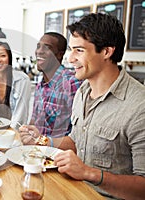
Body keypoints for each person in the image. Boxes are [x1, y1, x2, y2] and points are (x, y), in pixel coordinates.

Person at [20, 13, 145, 199]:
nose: (70, 59)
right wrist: (42, 141)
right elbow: (76, 141)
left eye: (79, 50)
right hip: (75, 190)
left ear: (106, 52)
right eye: (71, 50)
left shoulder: (139, 106)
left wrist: (88, 173)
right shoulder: (83, 91)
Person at [30, 32, 82, 138]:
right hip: (36, 151)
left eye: (47, 48)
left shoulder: (73, 84)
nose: (39, 51)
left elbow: (80, 135)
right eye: (38, 47)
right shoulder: (40, 86)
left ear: (60, 54)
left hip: (59, 152)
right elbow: (34, 121)